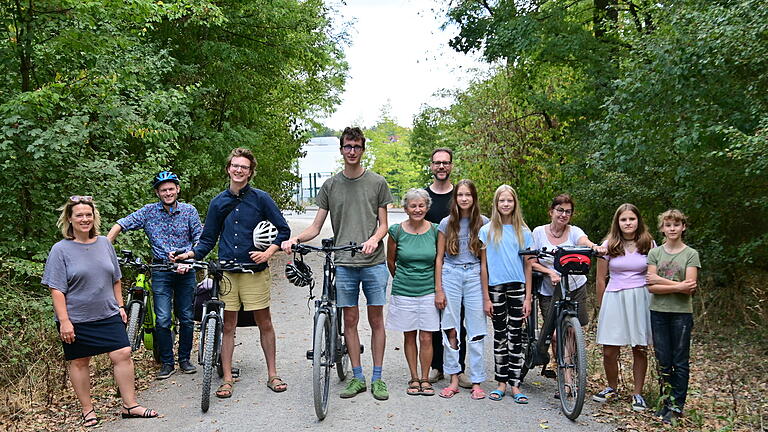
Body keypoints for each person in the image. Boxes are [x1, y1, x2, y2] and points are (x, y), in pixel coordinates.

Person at [282, 127, 393, 401]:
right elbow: (316, 226)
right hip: (344, 262)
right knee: (351, 320)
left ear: (362, 149)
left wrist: (374, 240)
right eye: (347, 147)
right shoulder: (331, 185)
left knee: (376, 319)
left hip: (373, 262)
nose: (352, 151)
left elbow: (384, 225)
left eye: (356, 146)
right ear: (341, 150)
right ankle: (357, 377)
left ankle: (378, 378)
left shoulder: (377, 183)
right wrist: (295, 239)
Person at [174, 148, 290, 399]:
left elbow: (283, 230)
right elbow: (207, 239)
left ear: (250, 172)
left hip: (254, 272)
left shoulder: (261, 199)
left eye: (244, 167)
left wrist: (268, 253)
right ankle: (227, 379)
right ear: (228, 169)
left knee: (265, 322)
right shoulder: (218, 202)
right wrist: (190, 255)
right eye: (235, 166)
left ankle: (273, 374)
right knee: (228, 326)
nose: (239, 170)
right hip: (226, 273)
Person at [42, 196, 157, 427]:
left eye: (88, 215)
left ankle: (130, 405)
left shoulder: (104, 243)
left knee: (123, 353)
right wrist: (64, 321)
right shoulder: (60, 250)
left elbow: (115, 278)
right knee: (79, 361)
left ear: (94, 218)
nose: (85, 219)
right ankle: (88, 410)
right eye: (79, 215)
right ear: (69, 219)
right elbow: (56, 289)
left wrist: (120, 306)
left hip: (107, 313)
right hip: (76, 318)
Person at [107, 171, 203, 379]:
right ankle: (167, 362)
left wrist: (189, 261)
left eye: (171, 189)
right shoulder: (149, 212)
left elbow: (200, 239)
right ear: (157, 193)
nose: (167, 193)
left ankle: (185, 359)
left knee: (186, 317)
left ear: (177, 189)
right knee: (162, 319)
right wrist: (104, 247)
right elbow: (121, 224)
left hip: (186, 269)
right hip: (161, 270)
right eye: (163, 190)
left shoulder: (189, 211)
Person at [593, 203, 655, 411]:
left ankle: (637, 392)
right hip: (614, 296)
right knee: (610, 350)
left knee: (639, 347)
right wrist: (602, 307)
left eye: (631, 219)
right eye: (623, 220)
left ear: (638, 221)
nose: (628, 223)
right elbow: (600, 279)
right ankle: (612, 387)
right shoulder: (608, 244)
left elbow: (654, 275)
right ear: (617, 223)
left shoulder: (649, 243)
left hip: (640, 297)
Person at [434, 179, 489, 400]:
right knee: (451, 328)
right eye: (460, 195)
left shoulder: (483, 223)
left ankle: (476, 381)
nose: (464, 199)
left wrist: (486, 296)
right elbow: (439, 258)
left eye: (468, 195)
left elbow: (485, 263)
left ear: (474, 198)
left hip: (474, 274)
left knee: (476, 329)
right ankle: (454, 378)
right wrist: (439, 289)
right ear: (455, 198)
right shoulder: (446, 223)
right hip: (451, 273)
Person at [479, 185, 533, 403]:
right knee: (500, 335)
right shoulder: (487, 231)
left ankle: (515, 384)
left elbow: (529, 265)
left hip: (518, 286)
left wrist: (528, 297)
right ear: (496, 203)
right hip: (496, 287)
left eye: (509, 200)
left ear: (515, 203)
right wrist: (486, 297)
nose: (505, 204)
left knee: (516, 335)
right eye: (502, 200)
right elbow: (483, 266)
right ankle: (501, 382)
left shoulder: (524, 232)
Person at [646, 209, 700, 425]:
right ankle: (665, 402)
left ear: (683, 227)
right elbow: (651, 287)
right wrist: (678, 285)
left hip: (681, 314)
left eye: (676, 225)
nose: (672, 229)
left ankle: (677, 407)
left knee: (680, 361)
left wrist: (661, 281)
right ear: (662, 228)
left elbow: (690, 289)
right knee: (663, 360)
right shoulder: (655, 254)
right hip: (658, 312)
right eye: (668, 225)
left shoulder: (690, 254)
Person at [385, 189, 440, 396]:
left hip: (428, 290)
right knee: (409, 336)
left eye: (421, 205)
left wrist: (437, 289)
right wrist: (401, 279)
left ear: (427, 207)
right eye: (413, 206)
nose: (417, 209)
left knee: (426, 337)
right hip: (404, 290)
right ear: (406, 208)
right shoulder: (396, 231)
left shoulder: (435, 230)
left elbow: (438, 261)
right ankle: (414, 377)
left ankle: (425, 379)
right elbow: (391, 261)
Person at [424, 148, 470, 389]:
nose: (441, 167)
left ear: (451, 166)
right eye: (437, 163)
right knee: (434, 317)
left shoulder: (460, 196)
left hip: (458, 266)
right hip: (431, 264)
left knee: (458, 317)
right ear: (431, 166)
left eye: (445, 163)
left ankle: (458, 367)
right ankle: (436, 366)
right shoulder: (425, 197)